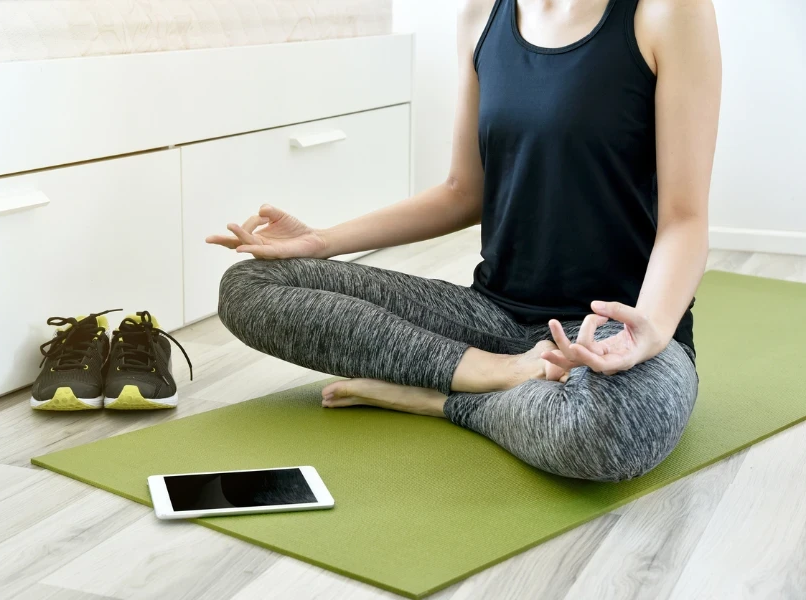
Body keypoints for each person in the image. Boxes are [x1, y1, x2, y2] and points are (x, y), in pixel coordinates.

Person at [206, 0, 721, 482]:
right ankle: (491, 374)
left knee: (603, 432)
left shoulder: (669, 11)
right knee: (250, 284)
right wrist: (321, 240)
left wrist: (649, 331)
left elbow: (684, 219)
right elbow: (461, 192)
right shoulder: (483, 14)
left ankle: (439, 397)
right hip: (488, 318)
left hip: (609, 331)